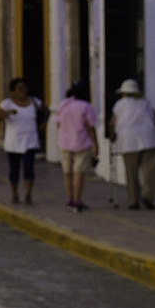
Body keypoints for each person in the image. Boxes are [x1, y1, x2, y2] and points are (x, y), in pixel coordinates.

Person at [107, 79, 155, 210]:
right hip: (150, 138)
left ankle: (133, 200)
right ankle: (148, 196)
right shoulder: (146, 103)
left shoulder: (120, 104)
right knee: (150, 171)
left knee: (131, 171)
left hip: (128, 140)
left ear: (124, 93)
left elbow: (112, 123)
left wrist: (112, 136)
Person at [0, 77, 43, 205]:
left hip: (30, 140)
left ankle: (28, 194)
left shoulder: (34, 102)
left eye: (24, 88)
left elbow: (46, 111)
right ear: (13, 91)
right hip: (13, 142)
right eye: (19, 88)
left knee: (28, 167)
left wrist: (42, 125)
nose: (23, 91)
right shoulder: (7, 104)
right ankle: (14, 193)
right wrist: (7, 112)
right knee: (14, 169)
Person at [53, 81, 98, 212]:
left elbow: (58, 123)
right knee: (78, 172)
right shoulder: (86, 106)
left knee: (67, 172)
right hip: (81, 143)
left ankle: (69, 199)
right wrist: (96, 144)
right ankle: (77, 201)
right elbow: (91, 128)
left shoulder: (63, 104)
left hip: (64, 143)